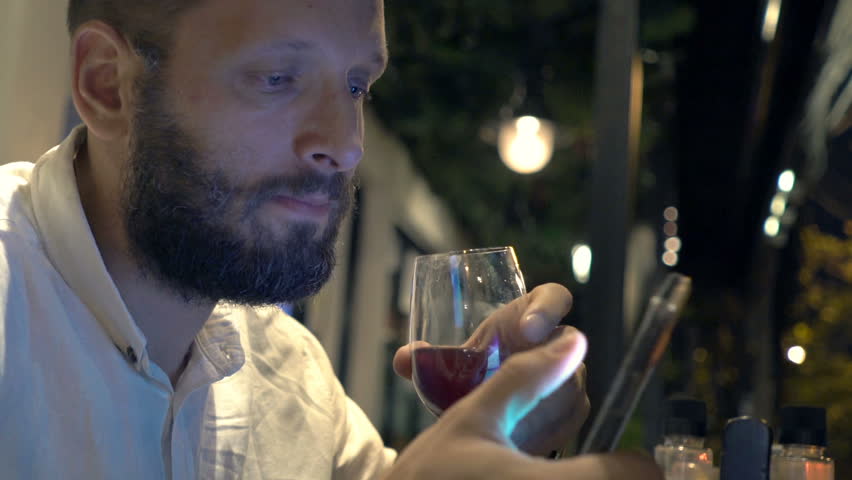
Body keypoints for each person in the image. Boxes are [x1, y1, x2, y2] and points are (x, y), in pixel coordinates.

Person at [0, 0, 662, 478]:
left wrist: (504, 431)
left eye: (355, 86)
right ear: (108, 85)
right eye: (278, 78)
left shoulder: (292, 378)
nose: (345, 146)